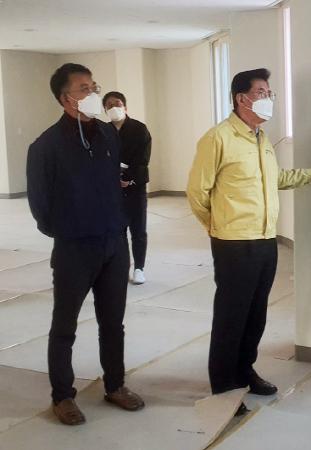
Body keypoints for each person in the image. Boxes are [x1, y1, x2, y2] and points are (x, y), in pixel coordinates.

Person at [187, 68, 311, 415]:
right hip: (234, 242)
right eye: (262, 93)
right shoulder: (218, 138)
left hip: (265, 238)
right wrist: (217, 226)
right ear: (242, 98)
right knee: (231, 315)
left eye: (270, 93)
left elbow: (272, 179)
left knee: (255, 314)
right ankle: (224, 387)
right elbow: (197, 192)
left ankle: (245, 370)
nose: (269, 99)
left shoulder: (261, 138)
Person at [27, 63, 144, 426]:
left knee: (113, 323)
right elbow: (40, 205)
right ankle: (62, 395)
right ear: (66, 99)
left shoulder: (108, 134)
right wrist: (69, 229)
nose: (93, 93)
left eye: (94, 86)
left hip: (114, 242)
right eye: (84, 89)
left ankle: (115, 385)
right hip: (74, 248)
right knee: (65, 325)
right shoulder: (45, 146)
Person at [103, 91, 152, 285]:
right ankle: (121, 267)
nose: (114, 107)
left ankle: (139, 268)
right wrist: (113, 177)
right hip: (112, 190)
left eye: (117, 103)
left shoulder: (139, 129)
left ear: (125, 107)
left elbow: (143, 158)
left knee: (138, 229)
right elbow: (100, 159)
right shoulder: (102, 131)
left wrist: (129, 177)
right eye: (109, 105)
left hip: (135, 187)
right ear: (105, 110)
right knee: (117, 231)